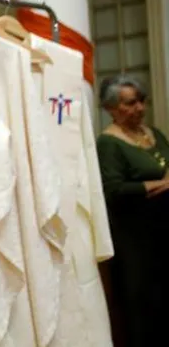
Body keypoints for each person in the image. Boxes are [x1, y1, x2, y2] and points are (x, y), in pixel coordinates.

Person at [96, 74, 169, 346]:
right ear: (110, 108)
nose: (139, 108)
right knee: (141, 306)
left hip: (162, 231)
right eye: (130, 103)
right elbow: (114, 190)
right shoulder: (108, 143)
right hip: (135, 238)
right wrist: (159, 184)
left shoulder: (153, 133)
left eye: (141, 101)